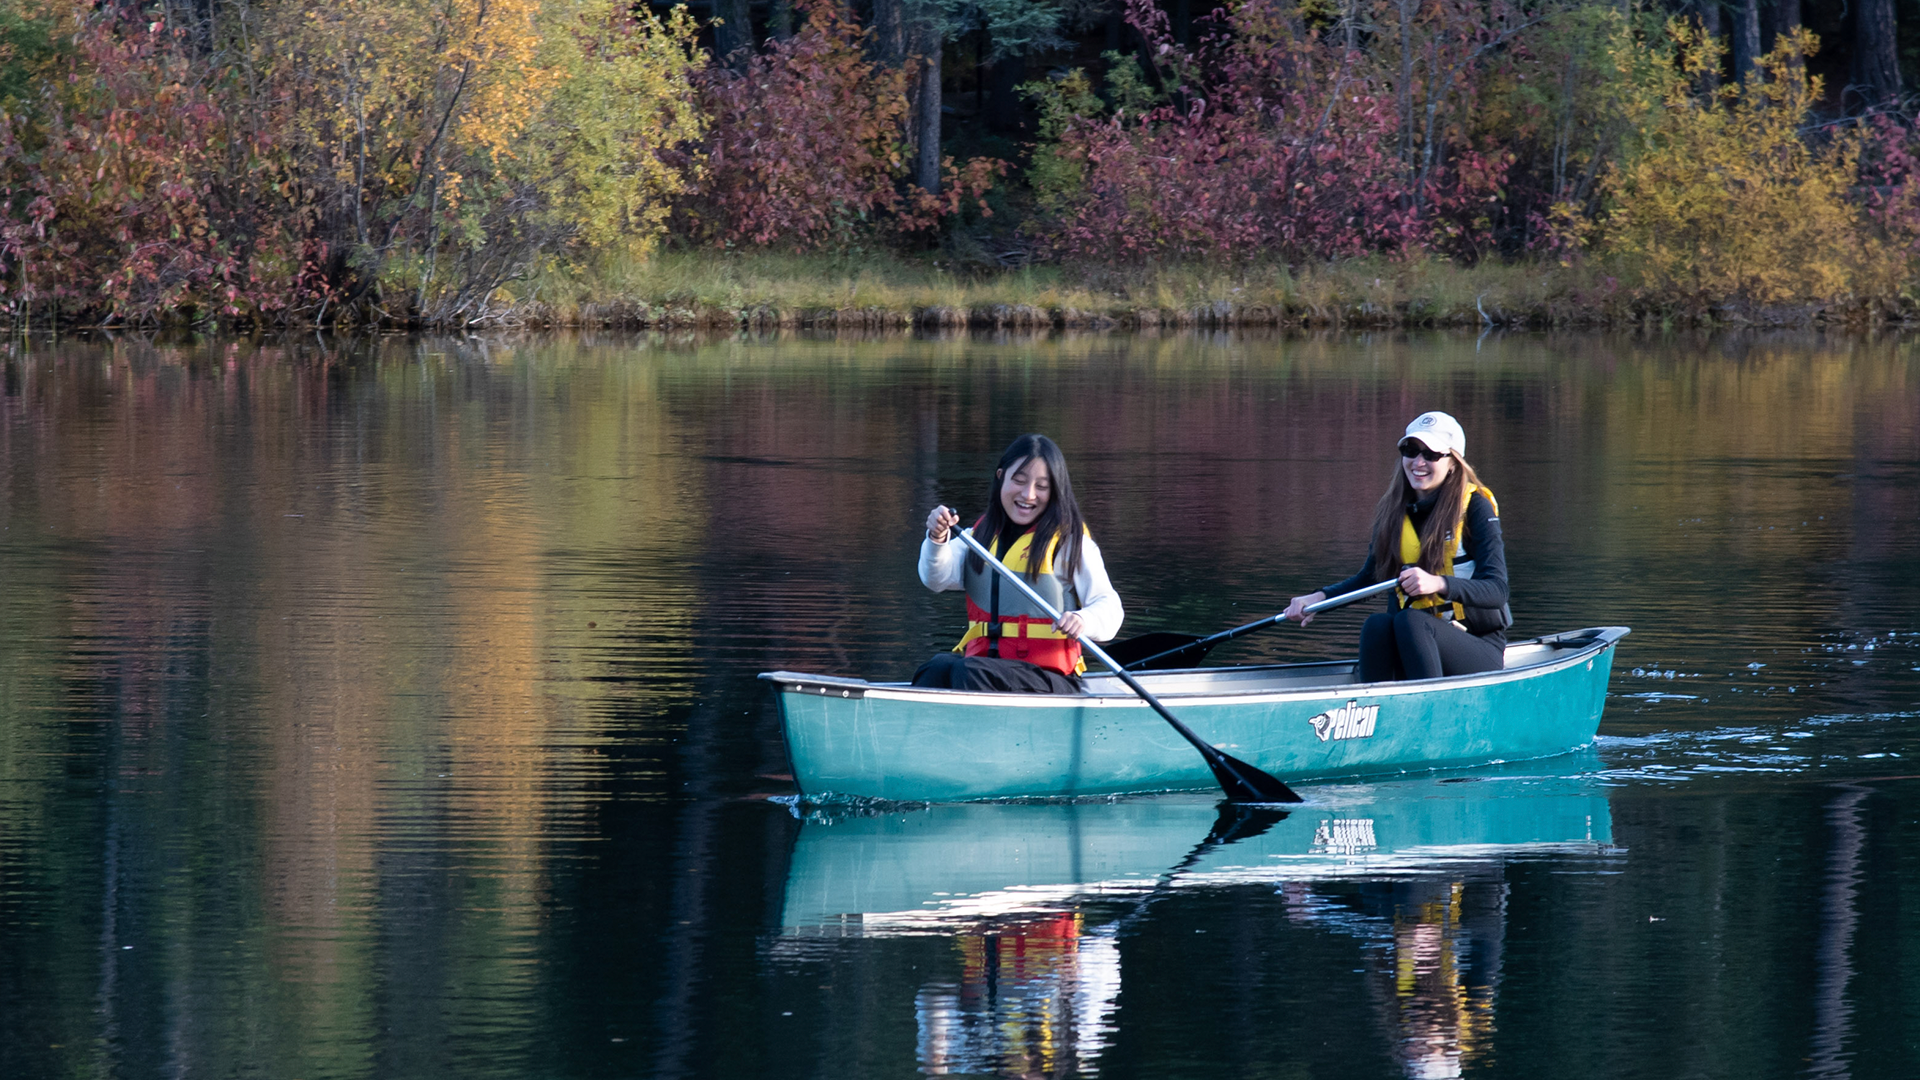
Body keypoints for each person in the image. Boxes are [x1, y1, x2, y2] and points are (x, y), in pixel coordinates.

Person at [1283, 411, 1511, 683]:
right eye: (1411, 450)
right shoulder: (1392, 511)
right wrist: (1317, 600)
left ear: (1452, 463)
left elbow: (1497, 589)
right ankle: (1370, 709)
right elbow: (1370, 579)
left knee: (1410, 621)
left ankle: (1428, 707)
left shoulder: (1475, 507)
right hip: (1417, 646)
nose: (1418, 462)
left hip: (1476, 645)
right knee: (1376, 626)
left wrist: (1438, 584)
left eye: (1431, 454)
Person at [914, 434, 1124, 693]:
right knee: (936, 669)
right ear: (1001, 476)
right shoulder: (977, 536)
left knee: (969, 671)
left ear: (1055, 491)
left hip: (1050, 679)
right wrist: (937, 538)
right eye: (1019, 481)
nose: (1029, 495)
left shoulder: (1070, 543)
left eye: (1042, 486)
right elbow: (935, 579)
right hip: (987, 670)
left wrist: (1084, 619)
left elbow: (1111, 610)